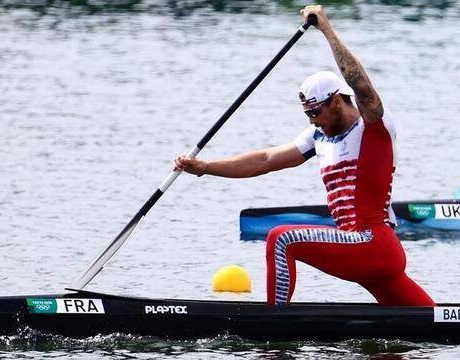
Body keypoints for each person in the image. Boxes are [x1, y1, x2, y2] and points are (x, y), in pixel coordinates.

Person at [173, 5, 435, 306]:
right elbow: (265, 160)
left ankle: (274, 325)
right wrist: (205, 167)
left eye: (314, 111)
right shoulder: (318, 136)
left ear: (335, 101)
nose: (311, 119)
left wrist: (326, 28)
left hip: (373, 244)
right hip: (360, 253)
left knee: (281, 239)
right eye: (306, 113)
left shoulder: (373, 126)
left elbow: (359, 83)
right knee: (432, 324)